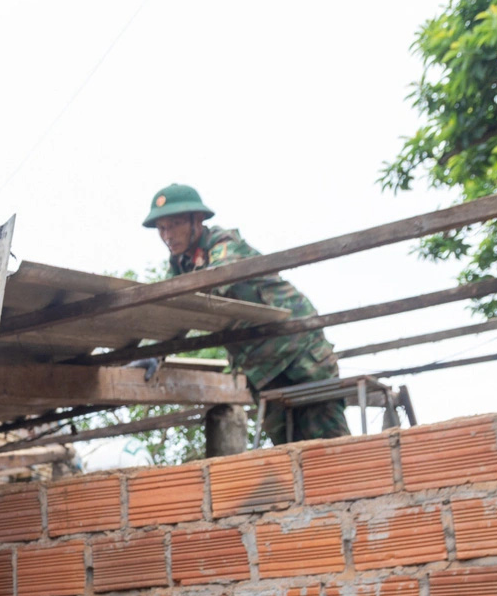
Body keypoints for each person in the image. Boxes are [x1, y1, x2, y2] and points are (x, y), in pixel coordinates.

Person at [143, 182, 350, 444]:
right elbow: (172, 309)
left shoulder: (223, 243)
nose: (167, 235)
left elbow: (217, 281)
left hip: (299, 352)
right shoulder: (181, 265)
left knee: (333, 444)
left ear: (197, 220)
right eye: (161, 228)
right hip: (264, 369)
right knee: (289, 450)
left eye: (174, 225)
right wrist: (152, 349)